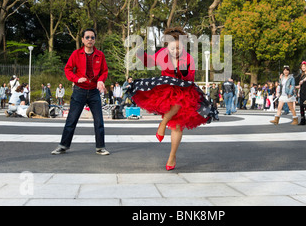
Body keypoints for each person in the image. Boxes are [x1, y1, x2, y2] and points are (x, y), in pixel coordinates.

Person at [128, 27, 218, 171]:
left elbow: (190, 78)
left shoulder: (188, 58)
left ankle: (171, 152)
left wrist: (182, 71)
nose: (175, 51)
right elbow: (149, 62)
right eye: (172, 48)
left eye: (178, 48)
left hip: (184, 90)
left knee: (177, 124)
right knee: (176, 114)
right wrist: (139, 53)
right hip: (166, 90)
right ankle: (165, 128)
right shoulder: (162, 54)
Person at [51, 28, 109, 156]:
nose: (90, 40)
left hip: (94, 91)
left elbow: (104, 71)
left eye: (92, 37)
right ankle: (63, 145)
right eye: (87, 37)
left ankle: (100, 147)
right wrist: (76, 79)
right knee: (71, 120)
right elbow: (68, 69)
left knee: (99, 121)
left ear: (95, 40)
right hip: (79, 91)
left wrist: (101, 80)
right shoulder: (76, 54)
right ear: (82, 39)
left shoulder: (100, 55)